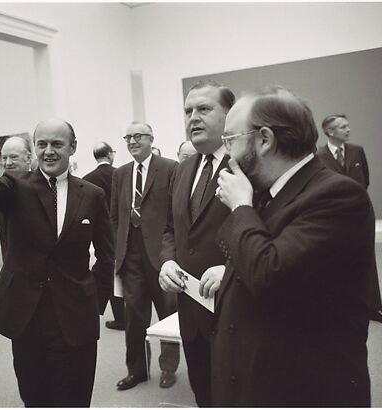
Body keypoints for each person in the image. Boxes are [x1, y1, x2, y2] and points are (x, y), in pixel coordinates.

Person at [208, 85, 372, 406]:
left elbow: (272, 276)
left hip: (303, 392)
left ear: (264, 139)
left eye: (230, 140)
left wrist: (241, 207)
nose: (226, 155)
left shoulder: (337, 195)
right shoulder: (265, 192)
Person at [0, 118, 114, 407]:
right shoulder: (16, 185)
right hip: (28, 316)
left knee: (75, 399)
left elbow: (106, 254)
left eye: (57, 144)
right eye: (42, 144)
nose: (49, 151)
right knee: (35, 397)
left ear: (73, 147)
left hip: (76, 315)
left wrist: (95, 302)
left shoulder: (92, 195)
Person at [159, 80, 235, 406]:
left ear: (230, 116)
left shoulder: (249, 166)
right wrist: (166, 260)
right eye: (188, 111)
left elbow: (271, 234)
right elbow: (169, 229)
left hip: (236, 313)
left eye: (204, 109)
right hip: (191, 311)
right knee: (203, 394)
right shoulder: (183, 169)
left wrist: (232, 268)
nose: (193, 117)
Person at [111, 121, 179, 390]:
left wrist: (172, 253)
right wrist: (120, 250)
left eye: (138, 136)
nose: (132, 141)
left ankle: (167, 368)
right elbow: (115, 215)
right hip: (131, 256)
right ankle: (137, 370)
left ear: (151, 139)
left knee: (167, 313)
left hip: (161, 254)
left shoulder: (170, 168)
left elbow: (175, 214)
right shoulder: (121, 173)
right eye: (127, 137)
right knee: (134, 317)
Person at [317, 114, 382, 326]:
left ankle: (375, 308)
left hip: (361, 214)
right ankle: (340, 307)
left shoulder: (357, 151)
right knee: (334, 260)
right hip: (333, 217)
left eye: (348, 126)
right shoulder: (319, 155)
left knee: (367, 258)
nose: (348, 130)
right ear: (330, 132)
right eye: (343, 127)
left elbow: (366, 181)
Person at [82, 141, 125, 331]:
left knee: (109, 270)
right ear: (109, 154)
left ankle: (119, 316)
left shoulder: (87, 179)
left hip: (101, 233)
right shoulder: (121, 174)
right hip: (123, 230)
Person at [0, 136, 33, 262]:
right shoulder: (0, 187)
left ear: (28, 158)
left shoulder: (42, 185)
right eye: (4, 158)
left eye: (13, 157)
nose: (8, 163)